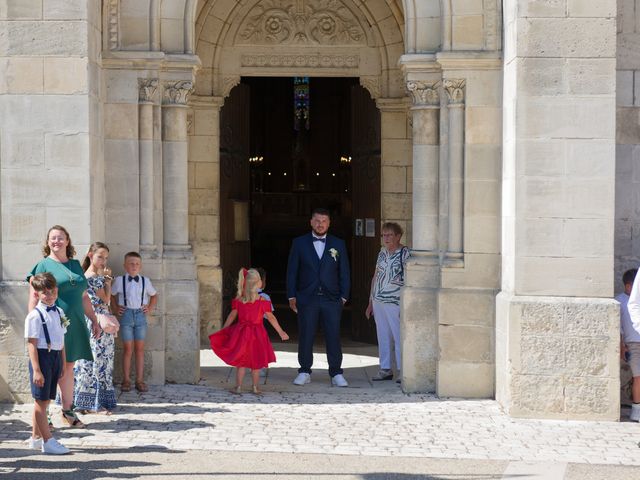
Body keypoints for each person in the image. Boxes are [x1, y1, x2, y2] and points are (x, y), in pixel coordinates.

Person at [28, 225, 100, 429]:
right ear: (48, 242)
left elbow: (84, 296)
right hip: (51, 326)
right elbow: (33, 297)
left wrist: (94, 320)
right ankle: (45, 415)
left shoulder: (77, 265)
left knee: (69, 368)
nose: (56, 241)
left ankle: (68, 412)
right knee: (50, 368)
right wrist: (32, 325)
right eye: (53, 238)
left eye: (60, 238)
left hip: (75, 324)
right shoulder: (42, 265)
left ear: (67, 241)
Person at [286, 208, 350, 387]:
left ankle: (336, 373)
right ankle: (304, 370)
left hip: (332, 299)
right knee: (306, 335)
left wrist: (344, 297)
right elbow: (292, 271)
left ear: (329, 223)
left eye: (324, 221)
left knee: (333, 336)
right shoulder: (299, 243)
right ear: (311, 222)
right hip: (307, 297)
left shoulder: (338, 244)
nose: (320, 224)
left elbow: (344, 271)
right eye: (317, 221)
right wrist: (291, 295)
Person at [209, 268, 289, 394]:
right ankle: (255, 387)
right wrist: (281, 332)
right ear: (259, 283)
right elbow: (271, 318)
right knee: (255, 363)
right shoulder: (263, 301)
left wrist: (224, 329)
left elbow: (231, 316)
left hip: (241, 334)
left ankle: (239, 387)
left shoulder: (239, 300)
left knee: (241, 362)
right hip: (258, 334)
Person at [24, 273, 71, 454]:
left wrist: (63, 362)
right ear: (37, 294)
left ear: (57, 291)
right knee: (41, 401)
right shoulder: (35, 316)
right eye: (45, 293)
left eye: (52, 291)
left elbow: (61, 339)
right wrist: (36, 370)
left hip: (55, 357)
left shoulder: (59, 312)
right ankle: (48, 441)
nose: (49, 295)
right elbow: (32, 344)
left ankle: (35, 438)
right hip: (42, 358)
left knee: (46, 400)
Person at [74, 242, 117, 414]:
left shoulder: (86, 276)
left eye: (106, 258)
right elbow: (105, 300)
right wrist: (107, 282)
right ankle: (94, 404)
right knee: (98, 361)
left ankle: (85, 401)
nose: (103, 261)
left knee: (92, 360)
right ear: (90, 255)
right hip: (97, 321)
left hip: (93, 320)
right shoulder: (93, 277)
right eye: (100, 257)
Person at [365, 222, 410, 383]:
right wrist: (370, 301)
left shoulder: (405, 253)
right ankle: (385, 369)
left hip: (394, 301)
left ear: (398, 236)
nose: (386, 238)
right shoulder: (382, 253)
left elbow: (410, 279)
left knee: (398, 336)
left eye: (390, 235)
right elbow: (375, 277)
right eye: (384, 235)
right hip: (379, 301)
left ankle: (401, 370)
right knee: (382, 335)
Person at [111, 251, 158, 393]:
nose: (134, 266)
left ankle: (139, 380)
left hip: (140, 316)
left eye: (137, 264)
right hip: (126, 315)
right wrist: (115, 308)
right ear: (125, 266)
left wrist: (149, 308)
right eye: (131, 264)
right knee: (127, 349)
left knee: (139, 349)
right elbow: (111, 295)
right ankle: (126, 380)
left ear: (140, 266)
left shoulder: (145, 281)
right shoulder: (119, 281)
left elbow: (154, 295)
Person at [622, 268, 640, 421]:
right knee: (638, 377)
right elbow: (619, 327)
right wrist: (622, 346)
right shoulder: (620, 301)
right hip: (632, 345)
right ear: (628, 287)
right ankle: (636, 409)